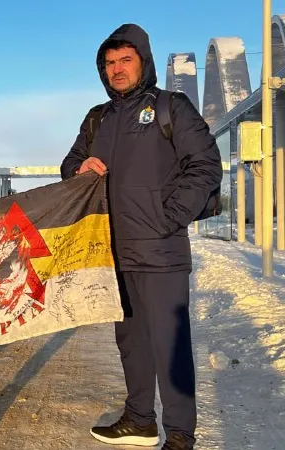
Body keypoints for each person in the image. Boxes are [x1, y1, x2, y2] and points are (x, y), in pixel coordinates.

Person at [60, 24, 222, 450]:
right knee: (130, 341)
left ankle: (181, 434)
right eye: (110, 63)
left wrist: (169, 217)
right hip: (113, 251)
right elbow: (69, 166)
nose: (117, 69)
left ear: (144, 62)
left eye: (125, 60)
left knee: (170, 345)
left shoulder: (172, 107)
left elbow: (205, 165)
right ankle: (139, 419)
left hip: (161, 249)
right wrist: (79, 168)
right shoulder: (97, 118)